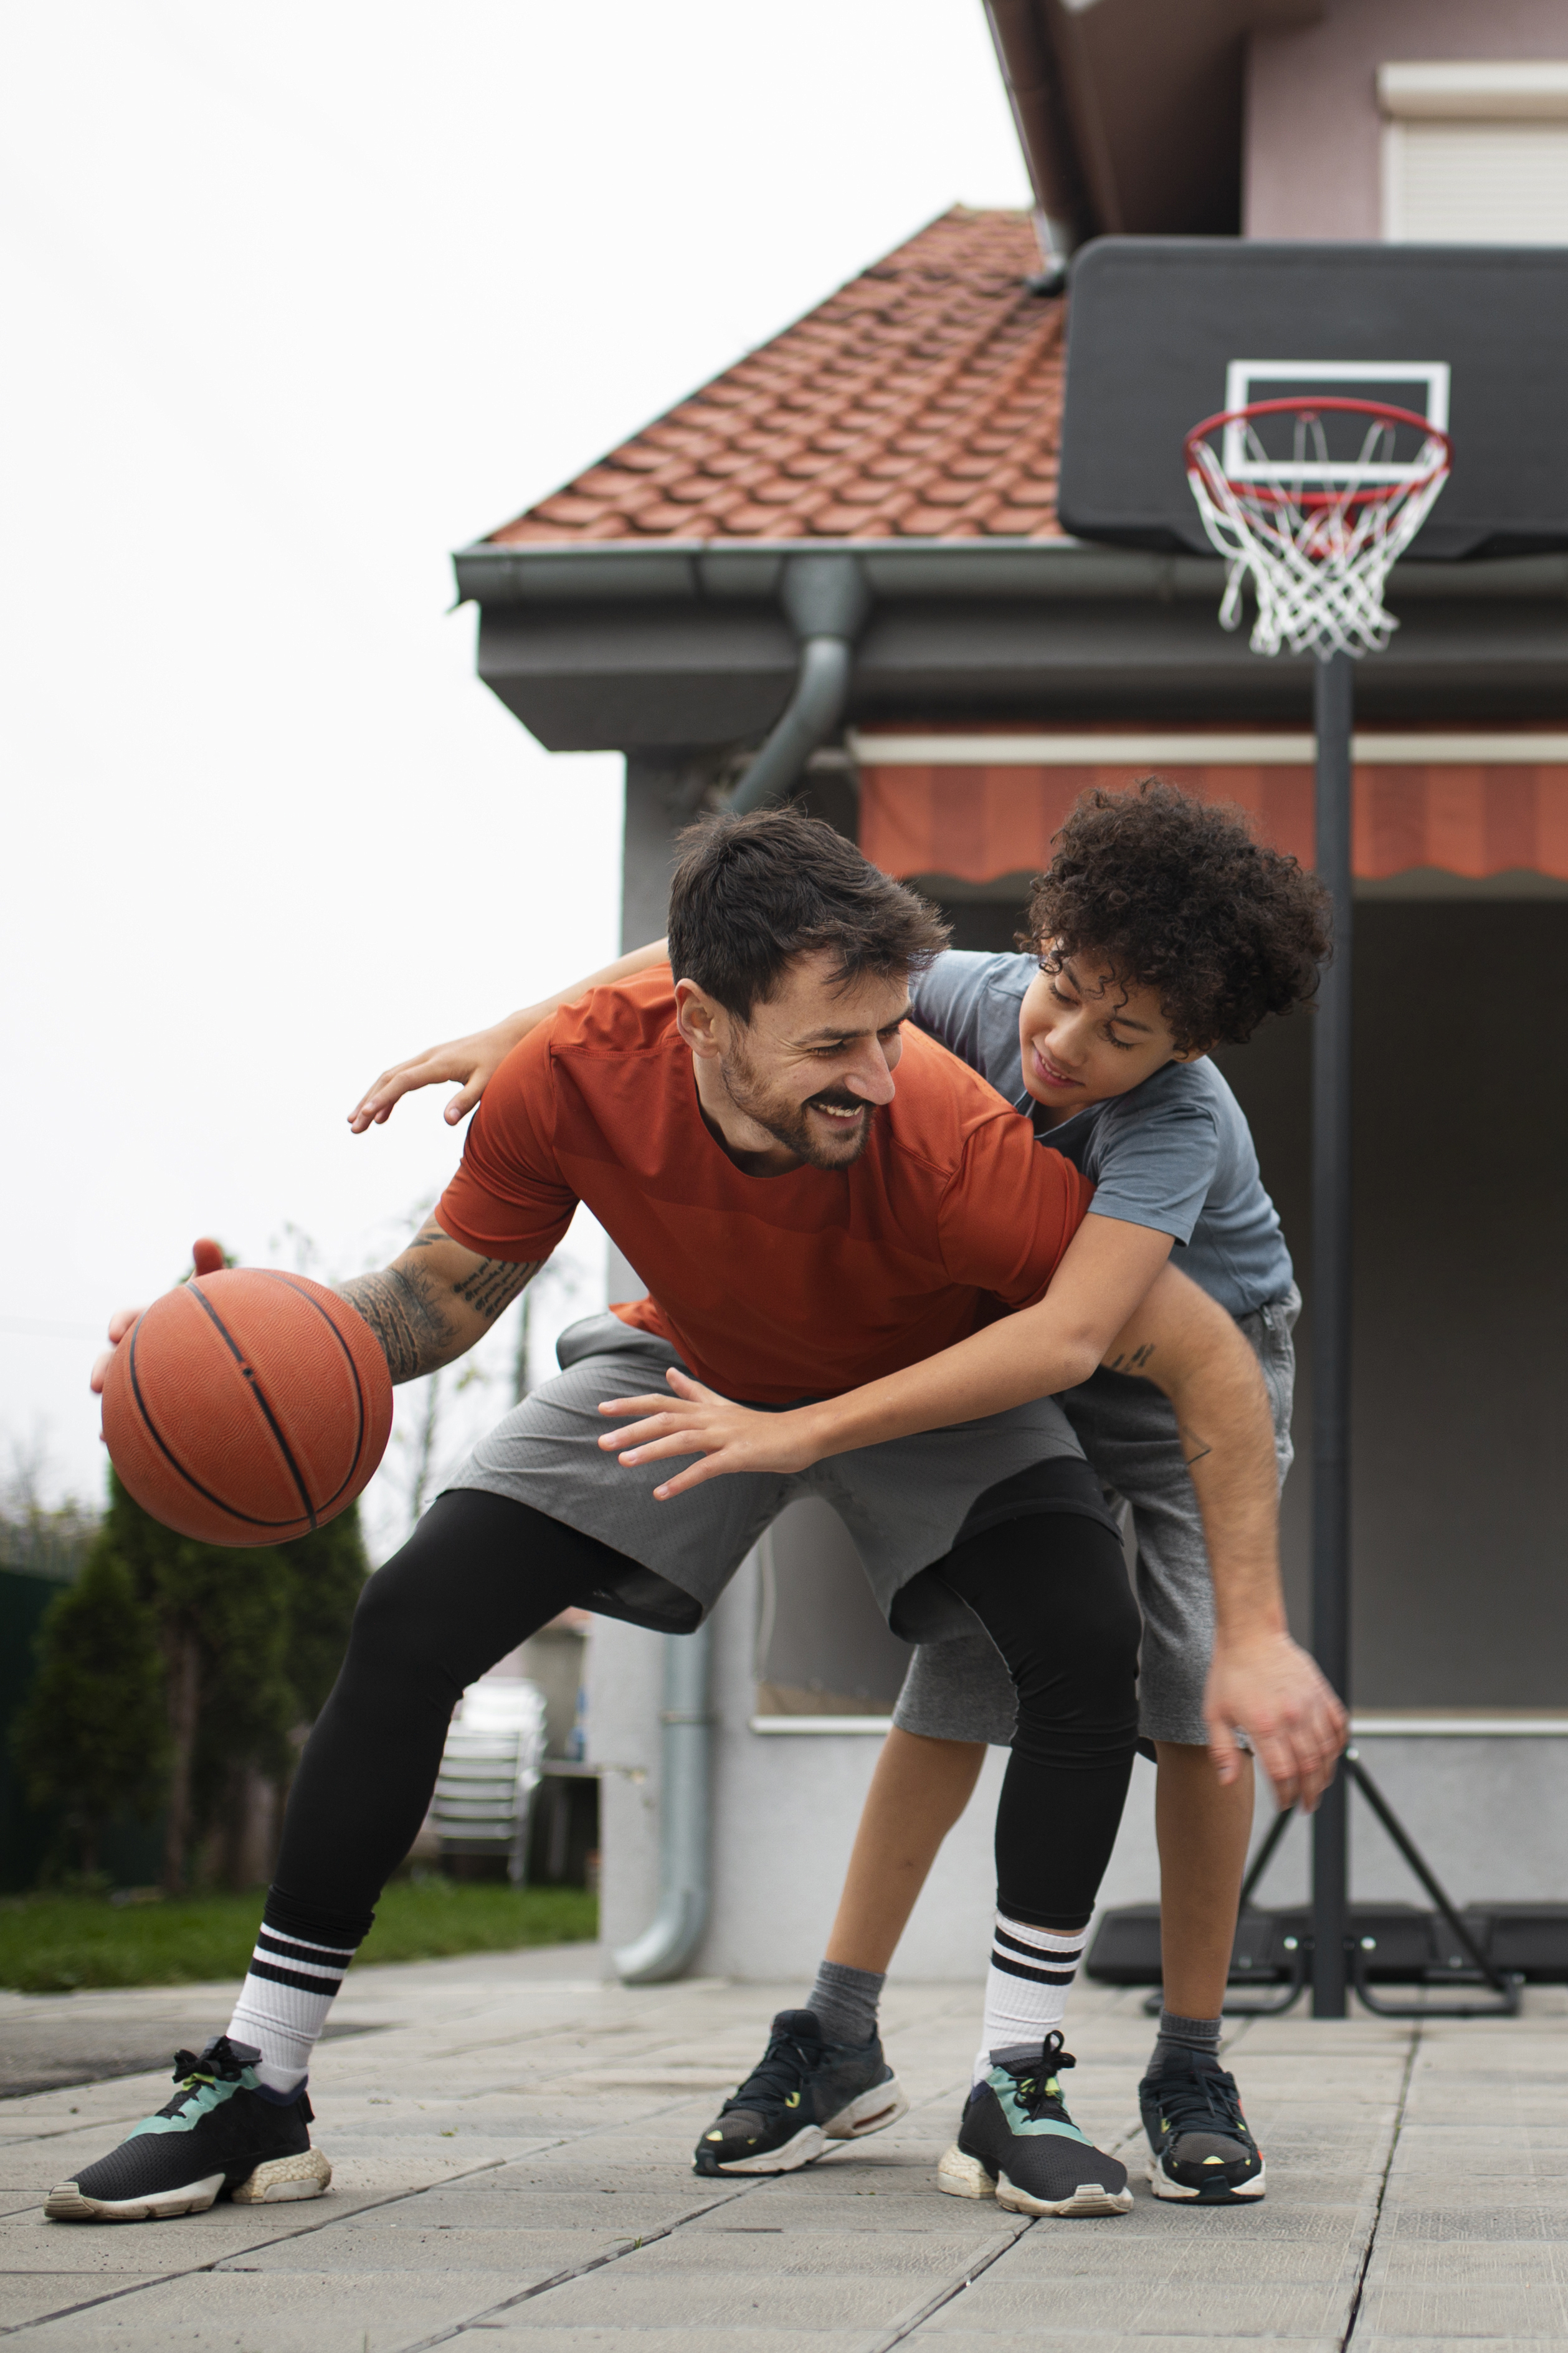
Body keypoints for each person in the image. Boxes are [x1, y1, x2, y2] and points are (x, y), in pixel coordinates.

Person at [60, 809, 1338, 2231]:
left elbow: (1161, 1346)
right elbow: (436, 1297)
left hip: (960, 1368)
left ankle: (1048, 2077)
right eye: (835, 1044)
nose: (881, 1068)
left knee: (1114, 1660)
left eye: (886, 1031)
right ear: (703, 1026)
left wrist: (1261, 1628)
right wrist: (236, 1338)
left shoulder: (960, 1124)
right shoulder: (587, 1067)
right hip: (712, 1359)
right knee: (414, 1611)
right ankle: (259, 2077)